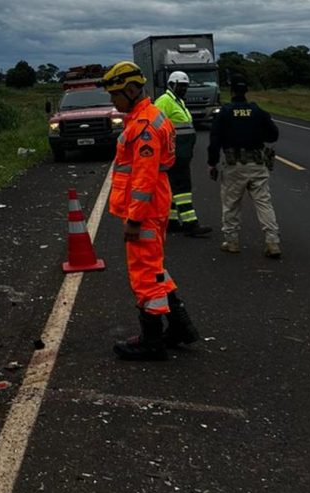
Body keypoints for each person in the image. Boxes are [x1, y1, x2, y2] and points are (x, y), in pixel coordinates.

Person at [101, 61, 200, 361]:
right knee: (155, 269)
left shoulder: (144, 124)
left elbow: (142, 179)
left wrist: (133, 218)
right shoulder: (147, 116)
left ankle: (152, 340)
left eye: (115, 94)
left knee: (145, 275)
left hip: (145, 209)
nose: (112, 100)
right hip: (153, 205)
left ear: (131, 90)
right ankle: (181, 328)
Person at [207, 74, 281, 258]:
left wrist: (212, 163)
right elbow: (273, 135)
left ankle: (232, 241)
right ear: (246, 91)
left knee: (231, 204)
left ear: (231, 91)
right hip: (257, 164)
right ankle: (272, 242)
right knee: (264, 203)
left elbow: (214, 141)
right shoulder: (257, 111)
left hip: (233, 165)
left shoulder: (224, 112)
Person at [154, 70, 212, 237]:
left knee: (174, 187)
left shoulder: (177, 101)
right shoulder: (164, 101)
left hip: (182, 152)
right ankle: (190, 224)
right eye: (181, 86)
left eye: (185, 86)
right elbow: (155, 127)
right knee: (183, 188)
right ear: (171, 85)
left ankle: (171, 222)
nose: (184, 89)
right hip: (174, 153)